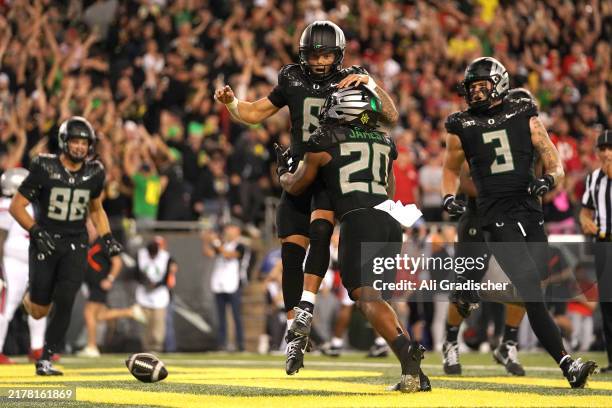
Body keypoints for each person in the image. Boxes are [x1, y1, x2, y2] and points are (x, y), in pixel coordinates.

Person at [215, 20, 398, 374]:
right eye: (314, 53)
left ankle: (308, 307)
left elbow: (389, 117)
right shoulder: (291, 79)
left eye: (326, 53)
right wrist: (232, 103)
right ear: (303, 54)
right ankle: (294, 329)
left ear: (338, 54)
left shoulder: (351, 79)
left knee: (320, 234)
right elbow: (254, 112)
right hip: (300, 169)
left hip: (330, 170)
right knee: (290, 250)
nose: (319, 60)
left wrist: (373, 84)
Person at [441, 57, 596, 388]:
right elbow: (452, 169)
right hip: (491, 213)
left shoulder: (525, 117)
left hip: (530, 211)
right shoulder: (462, 125)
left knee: (534, 286)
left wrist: (549, 181)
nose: (476, 93)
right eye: (472, 87)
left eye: (483, 86)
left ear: (500, 86)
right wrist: (447, 196)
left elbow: (555, 164)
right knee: (526, 288)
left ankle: (507, 335)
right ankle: (567, 363)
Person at [277, 85, 429, 392]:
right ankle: (414, 373)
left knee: (365, 297)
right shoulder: (386, 140)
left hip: (359, 220)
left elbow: (296, 186)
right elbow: (388, 187)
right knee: (377, 298)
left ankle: (405, 352)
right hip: (389, 220)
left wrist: (282, 171)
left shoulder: (323, 141)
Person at [9, 116, 122, 375]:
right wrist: (36, 231)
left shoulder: (95, 172)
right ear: (64, 141)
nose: (80, 147)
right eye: (75, 141)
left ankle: (46, 358)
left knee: (66, 299)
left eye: (84, 142)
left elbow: (96, 209)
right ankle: (33, 293)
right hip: (46, 241)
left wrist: (107, 238)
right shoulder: (44, 167)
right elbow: (17, 206)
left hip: (75, 243)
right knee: (38, 311)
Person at [442, 88, 535, 377]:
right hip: (479, 215)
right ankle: (450, 341)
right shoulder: (481, 131)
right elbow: (467, 180)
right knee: (467, 289)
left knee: (524, 282)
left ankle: (507, 342)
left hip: (514, 216)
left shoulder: (532, 138)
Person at [78, 220, 147, 358]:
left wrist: (109, 279)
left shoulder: (103, 242)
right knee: (99, 316)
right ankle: (130, 312)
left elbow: (117, 262)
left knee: (89, 314)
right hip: (92, 285)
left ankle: (92, 346)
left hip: (99, 285)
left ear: (96, 228)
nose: (87, 230)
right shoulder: (88, 243)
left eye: (89, 227)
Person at [0, 168, 47, 364]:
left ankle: (37, 348)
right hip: (12, 262)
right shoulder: (5, 204)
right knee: (6, 307)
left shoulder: (30, 205)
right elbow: (0, 237)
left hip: (32, 261)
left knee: (39, 303)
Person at [579, 129, 612, 373]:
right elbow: (585, 210)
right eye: (603, 149)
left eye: (611, 148)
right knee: (607, 303)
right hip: (603, 243)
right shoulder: (593, 179)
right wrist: (585, 221)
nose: (607, 153)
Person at [202, 223, 247, 352]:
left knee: (236, 316)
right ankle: (222, 344)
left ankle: (240, 345)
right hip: (219, 284)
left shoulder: (240, 245)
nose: (227, 231)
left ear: (237, 231)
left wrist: (215, 242)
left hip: (233, 285)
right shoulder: (223, 244)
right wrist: (206, 241)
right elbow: (208, 253)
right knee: (221, 317)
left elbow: (229, 255)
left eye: (230, 229)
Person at [135, 237, 178, 353]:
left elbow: (168, 277)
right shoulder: (141, 255)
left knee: (158, 324)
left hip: (159, 296)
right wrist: (146, 282)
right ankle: (145, 348)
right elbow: (136, 273)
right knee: (145, 325)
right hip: (144, 295)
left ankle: (156, 348)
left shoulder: (166, 257)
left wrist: (156, 285)